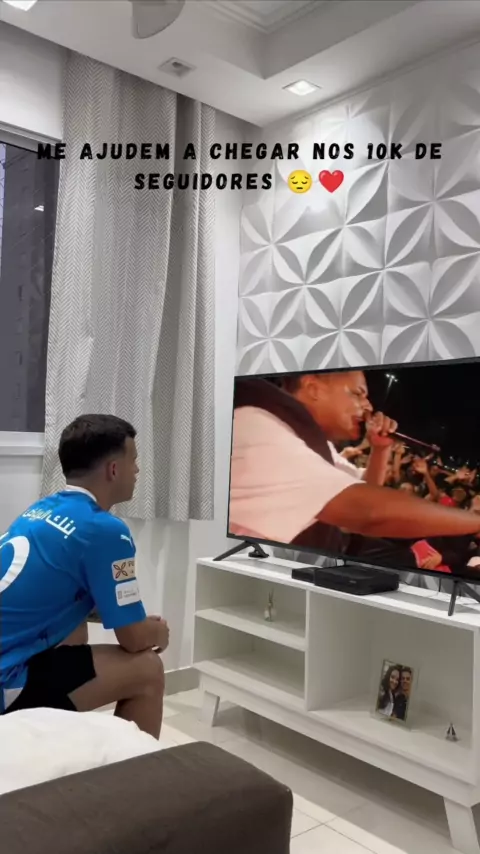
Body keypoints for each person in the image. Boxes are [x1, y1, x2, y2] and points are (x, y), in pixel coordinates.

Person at [0, 414, 169, 738]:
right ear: (113, 469)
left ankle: (59, 740)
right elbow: (133, 638)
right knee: (148, 669)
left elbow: (51, 597)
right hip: (6, 675)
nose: (137, 470)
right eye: (133, 460)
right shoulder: (106, 531)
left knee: (76, 630)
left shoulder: (41, 509)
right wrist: (157, 632)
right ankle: (139, 769)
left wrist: (129, 619)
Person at [229, 372, 480, 561]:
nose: (368, 406)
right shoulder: (260, 427)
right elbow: (367, 513)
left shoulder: (317, 446)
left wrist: (380, 449)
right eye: (358, 394)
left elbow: (364, 489)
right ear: (313, 388)